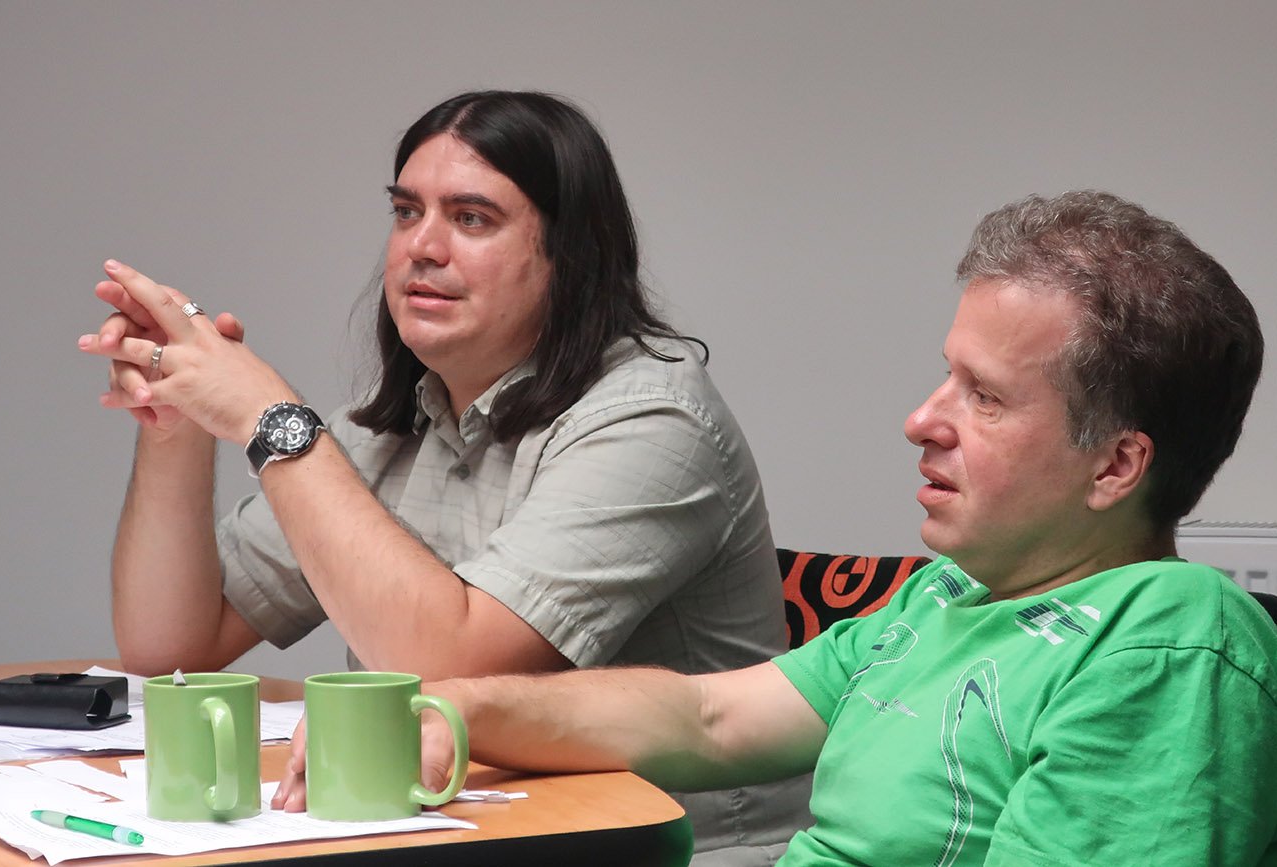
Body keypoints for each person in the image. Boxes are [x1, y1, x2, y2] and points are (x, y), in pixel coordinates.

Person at [384, 191, 1276, 865]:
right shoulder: (950, 595)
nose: (921, 420)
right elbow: (708, 716)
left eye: (986, 397)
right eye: (948, 377)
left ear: (1116, 466)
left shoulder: (1168, 641)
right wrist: (462, 709)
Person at [79, 90, 810, 863]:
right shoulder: (388, 425)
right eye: (406, 212)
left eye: (471, 218)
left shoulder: (654, 421)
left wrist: (272, 420)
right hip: (466, 832)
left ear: (569, 254)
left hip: (676, 850)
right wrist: (180, 422)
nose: (421, 247)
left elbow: (450, 678)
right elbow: (169, 648)